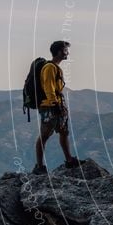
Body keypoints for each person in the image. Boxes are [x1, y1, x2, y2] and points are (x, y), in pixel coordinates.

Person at [32, 40, 82, 174]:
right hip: (50, 106)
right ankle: (39, 166)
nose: (68, 53)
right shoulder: (50, 68)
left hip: (57, 105)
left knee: (64, 132)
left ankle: (69, 160)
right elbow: (49, 87)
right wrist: (54, 104)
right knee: (44, 135)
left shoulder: (55, 67)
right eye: (66, 50)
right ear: (59, 51)